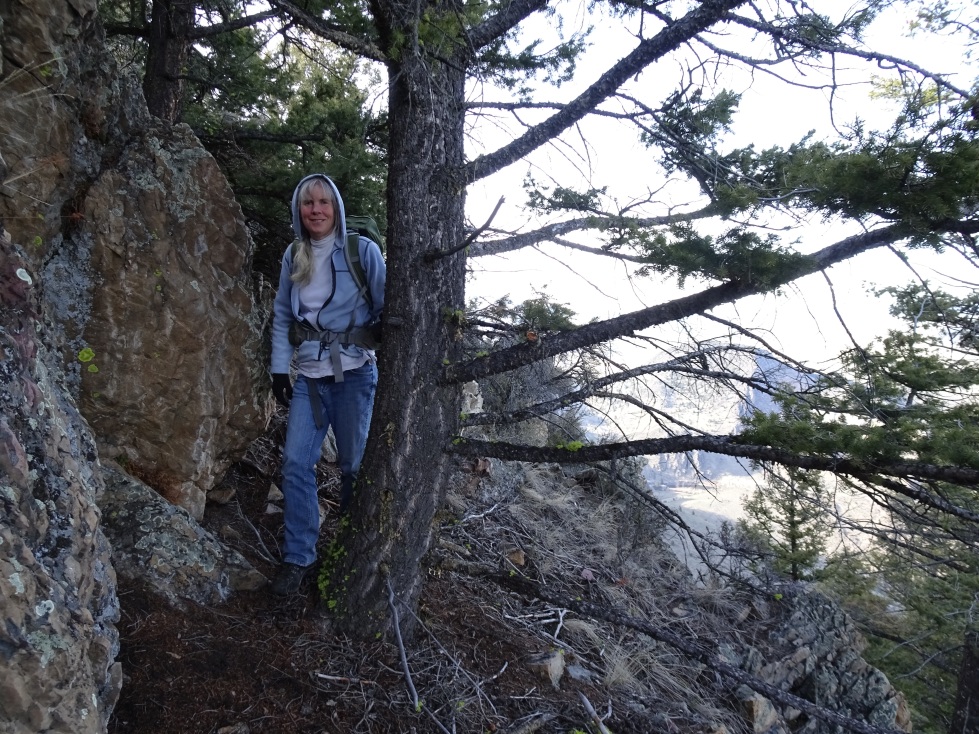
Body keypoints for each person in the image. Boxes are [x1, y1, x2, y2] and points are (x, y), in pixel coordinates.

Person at [268, 173, 385, 596]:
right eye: (307, 203)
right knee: (296, 463)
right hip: (309, 377)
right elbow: (284, 315)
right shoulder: (294, 254)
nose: (315, 210)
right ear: (298, 210)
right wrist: (279, 370)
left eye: (323, 202)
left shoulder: (362, 251)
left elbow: (388, 307)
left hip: (354, 374)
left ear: (336, 207)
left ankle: (350, 550)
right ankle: (299, 556)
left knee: (354, 466)